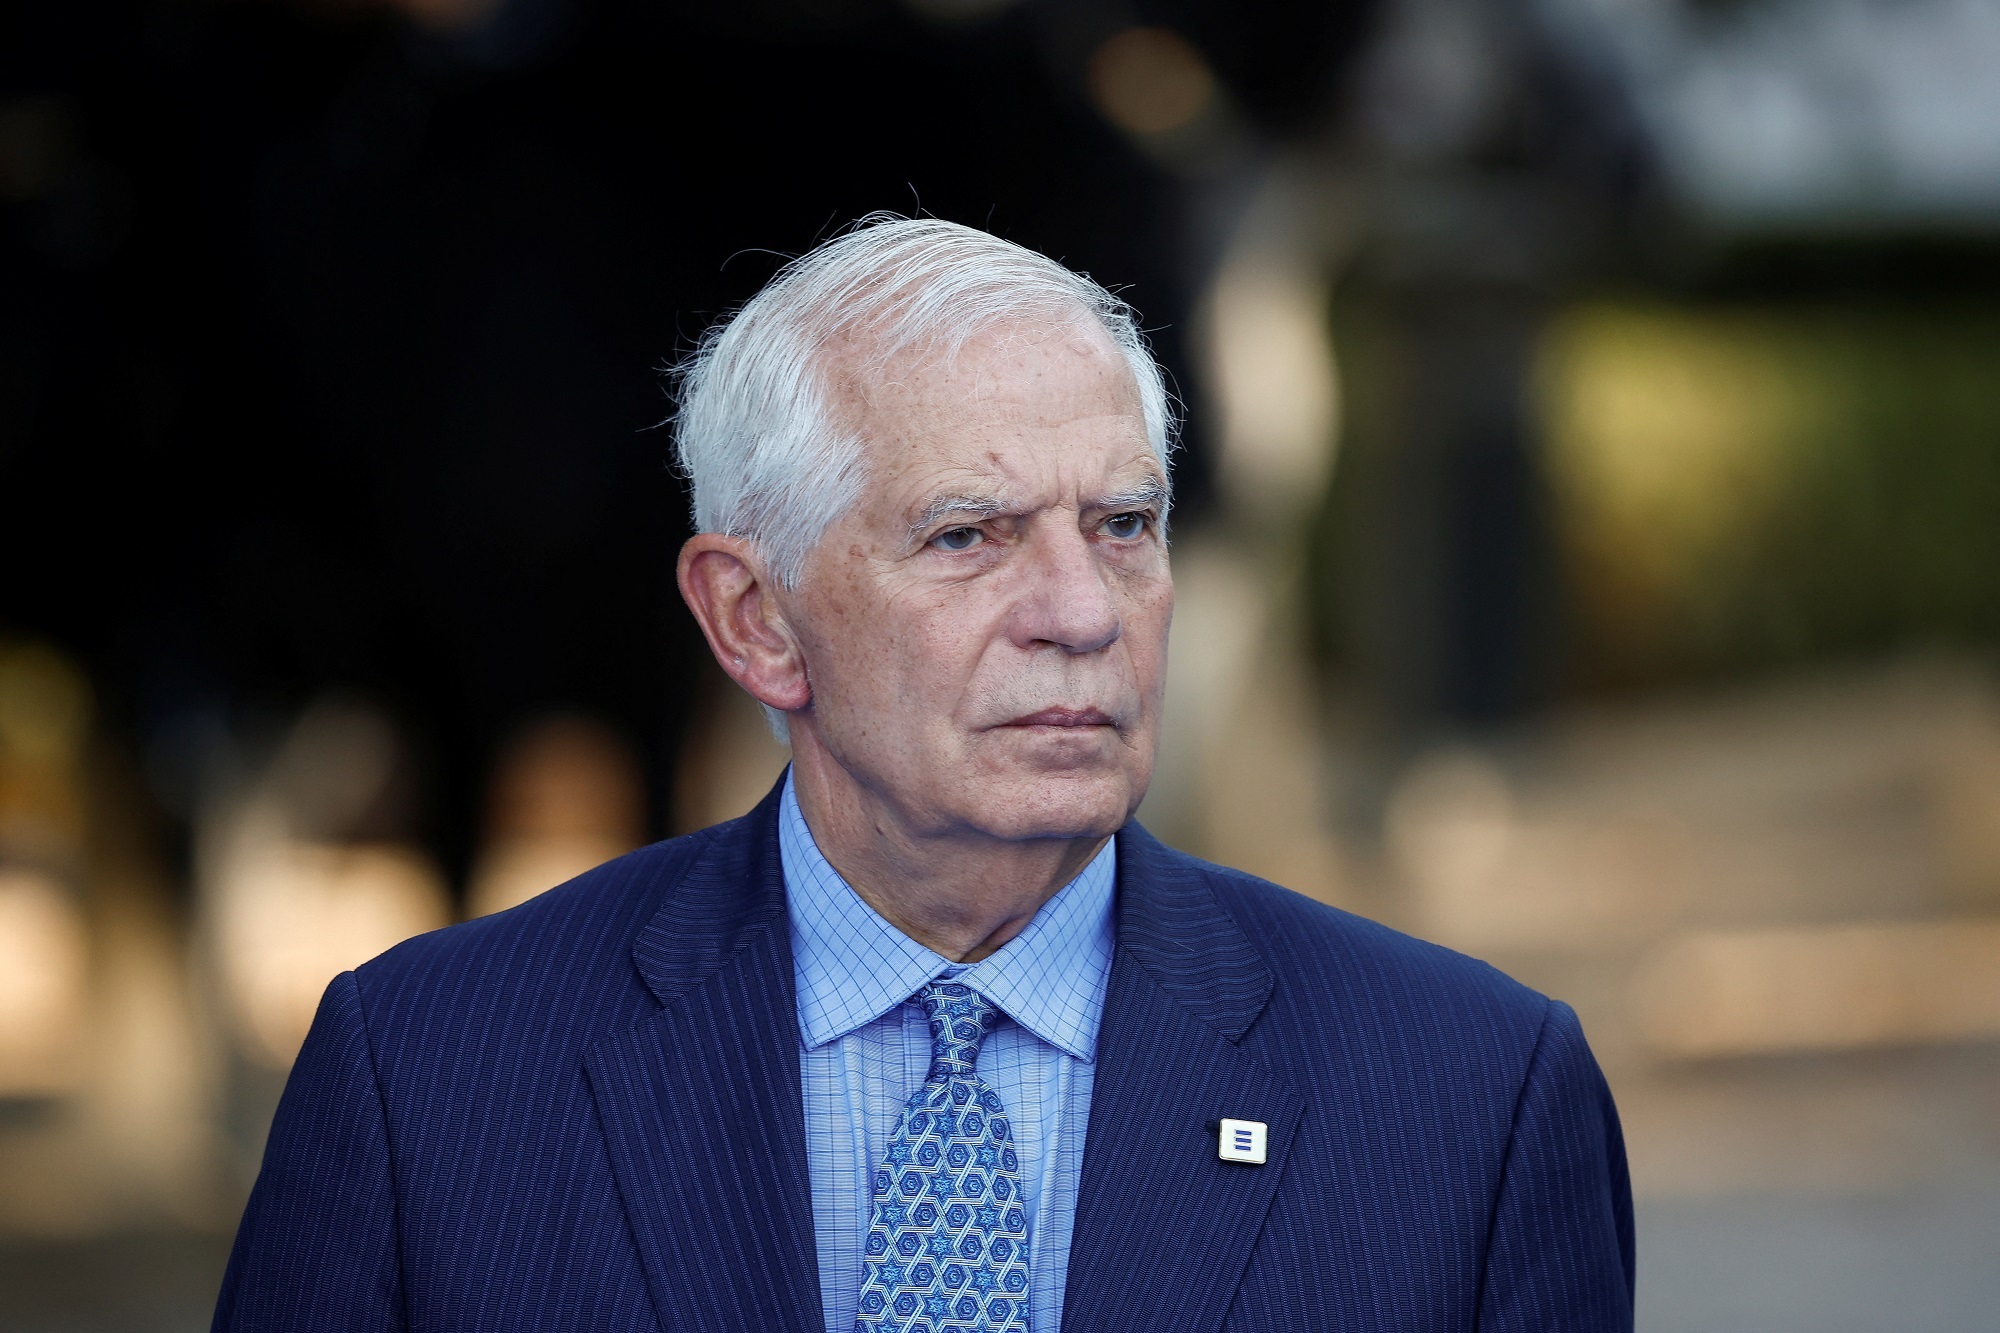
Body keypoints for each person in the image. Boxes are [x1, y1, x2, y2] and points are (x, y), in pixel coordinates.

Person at [213, 217, 1634, 1332]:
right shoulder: (428, 1083)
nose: (1081, 612)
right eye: (969, 535)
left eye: (1123, 525)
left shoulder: (1468, 1100)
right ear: (754, 621)